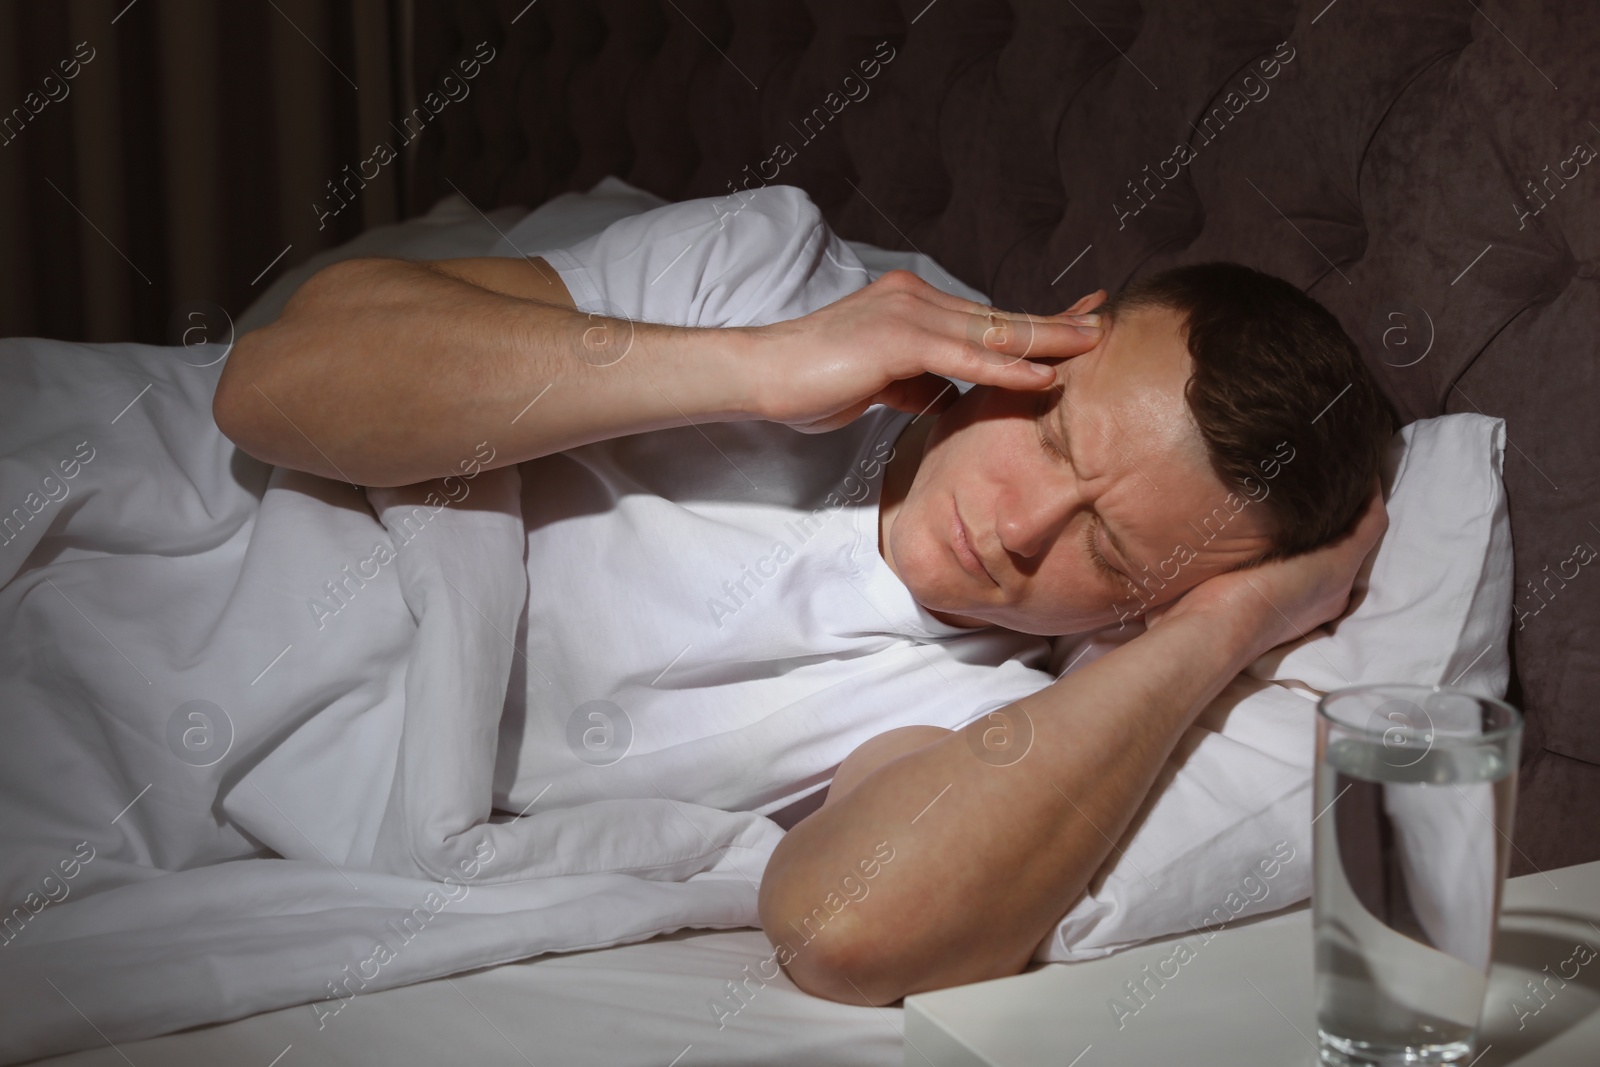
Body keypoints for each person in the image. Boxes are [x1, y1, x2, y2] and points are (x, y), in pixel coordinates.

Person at [213, 184, 1393, 1007]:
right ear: (1060, 335)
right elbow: (273, 381)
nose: (1020, 527)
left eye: (1114, 551)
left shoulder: (984, 712)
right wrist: (763, 366)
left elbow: (850, 926)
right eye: (1052, 432)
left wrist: (1221, 628)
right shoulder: (766, 272)